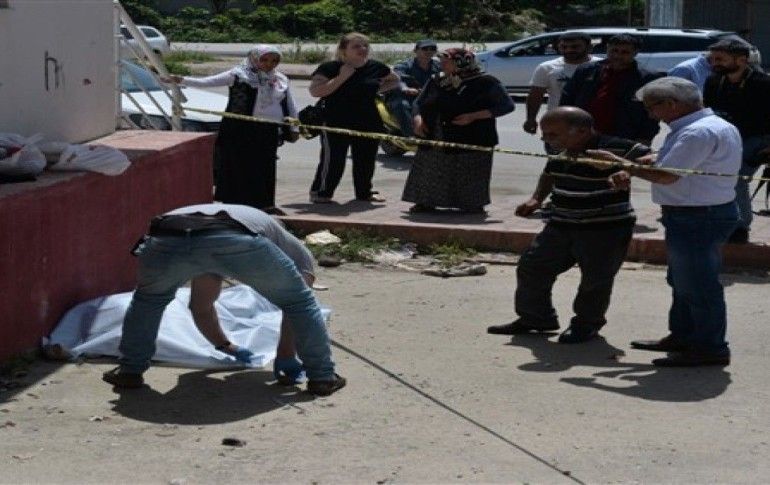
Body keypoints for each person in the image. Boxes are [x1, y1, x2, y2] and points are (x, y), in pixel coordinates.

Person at [102, 203, 346, 395]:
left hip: (165, 236)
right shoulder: (286, 240)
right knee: (300, 302)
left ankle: (129, 371)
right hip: (231, 235)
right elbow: (297, 303)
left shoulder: (228, 222)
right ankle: (322, 377)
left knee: (148, 301)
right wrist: (285, 354)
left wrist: (225, 346)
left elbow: (200, 307)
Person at [590, 77, 740, 366]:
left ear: (671, 104)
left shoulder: (697, 132)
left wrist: (619, 164)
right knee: (682, 281)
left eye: (651, 107)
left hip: (699, 216)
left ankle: (710, 347)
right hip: (695, 214)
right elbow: (674, 161)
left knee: (698, 285)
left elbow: (667, 175)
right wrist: (640, 164)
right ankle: (683, 336)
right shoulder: (703, 127)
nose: (650, 115)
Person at [487, 107, 649, 343]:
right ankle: (536, 318)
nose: (546, 140)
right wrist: (536, 199)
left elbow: (655, 160)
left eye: (553, 134)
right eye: (544, 134)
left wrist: (625, 168)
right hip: (561, 223)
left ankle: (586, 324)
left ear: (582, 131)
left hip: (604, 227)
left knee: (595, 279)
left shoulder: (616, 146)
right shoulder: (561, 150)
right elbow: (549, 173)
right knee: (532, 267)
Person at [164, 45, 299, 215]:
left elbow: (289, 104)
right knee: (238, 165)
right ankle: (237, 202)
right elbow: (208, 82)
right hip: (240, 129)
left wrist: (294, 126)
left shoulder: (280, 79)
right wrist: (182, 80)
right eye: (264, 60)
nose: (269, 64)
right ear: (254, 58)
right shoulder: (239, 75)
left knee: (265, 165)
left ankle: (264, 203)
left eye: (274, 61)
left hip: (268, 129)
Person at [401, 48, 514, 214]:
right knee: (431, 170)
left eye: (447, 62)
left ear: (462, 62)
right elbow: (419, 102)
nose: (442, 65)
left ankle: (472, 205)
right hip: (437, 133)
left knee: (469, 172)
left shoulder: (485, 82)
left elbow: (506, 105)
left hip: (473, 136)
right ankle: (425, 202)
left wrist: (473, 116)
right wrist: (418, 119)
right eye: (442, 62)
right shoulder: (438, 80)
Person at [308, 32, 400, 204]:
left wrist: (376, 89)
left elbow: (395, 80)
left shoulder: (376, 67)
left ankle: (364, 192)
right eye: (356, 46)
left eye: (365, 46)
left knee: (366, 159)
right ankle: (321, 192)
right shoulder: (330, 67)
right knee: (334, 159)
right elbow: (316, 91)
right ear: (344, 50)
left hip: (368, 120)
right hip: (336, 120)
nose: (362, 49)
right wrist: (342, 76)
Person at [703, 39, 770, 243]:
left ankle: (740, 226)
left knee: (735, 177)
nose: (714, 63)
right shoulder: (713, 82)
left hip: (756, 140)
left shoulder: (763, 83)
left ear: (741, 60)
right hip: (723, 140)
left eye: (720, 59)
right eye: (713, 59)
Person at [560, 34, 663, 146]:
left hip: (625, 137)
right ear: (607, 48)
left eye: (625, 52)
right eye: (614, 50)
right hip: (584, 134)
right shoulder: (587, 70)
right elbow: (567, 100)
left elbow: (654, 112)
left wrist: (645, 138)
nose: (617, 56)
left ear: (635, 53)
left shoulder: (647, 78)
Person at [523, 32, 599, 153]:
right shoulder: (546, 68)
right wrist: (530, 119)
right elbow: (535, 95)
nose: (569, 50)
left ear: (589, 47)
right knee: (557, 160)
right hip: (558, 126)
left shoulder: (600, 66)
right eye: (564, 47)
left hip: (594, 124)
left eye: (575, 47)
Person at [384, 39, 441, 137]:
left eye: (432, 48)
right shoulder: (405, 65)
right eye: (425, 48)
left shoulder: (438, 66)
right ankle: (411, 136)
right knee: (402, 104)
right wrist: (405, 88)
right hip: (406, 97)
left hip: (426, 98)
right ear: (415, 50)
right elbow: (397, 79)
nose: (429, 51)